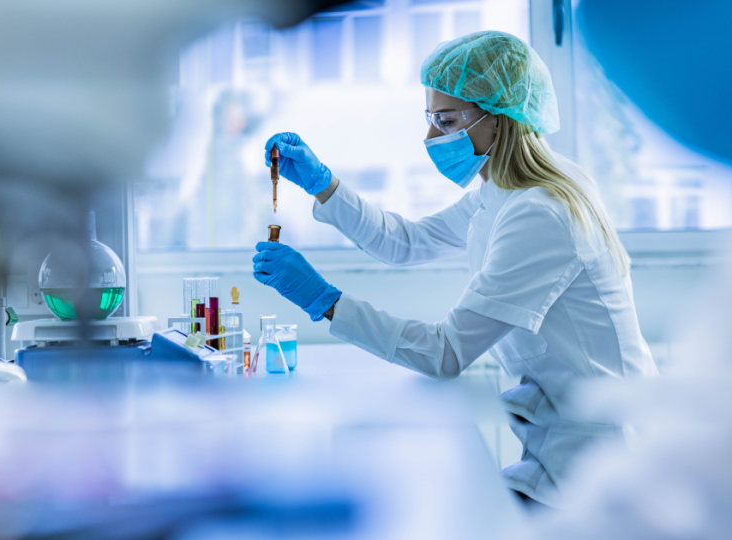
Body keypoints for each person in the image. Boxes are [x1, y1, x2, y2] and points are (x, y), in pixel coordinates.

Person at [251, 31, 658, 509]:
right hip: (561, 452)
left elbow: (445, 354)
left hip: (599, 469)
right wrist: (324, 185)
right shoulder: (505, 192)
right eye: (430, 120)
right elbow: (406, 242)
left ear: (500, 119)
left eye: (445, 122)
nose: (429, 138)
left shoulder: (541, 211)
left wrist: (325, 301)